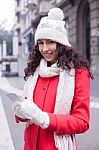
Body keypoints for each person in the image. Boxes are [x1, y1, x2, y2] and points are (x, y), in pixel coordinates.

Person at [12, 7, 93, 150]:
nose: (44, 49)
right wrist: (22, 113)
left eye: (50, 42)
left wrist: (45, 119)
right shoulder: (34, 70)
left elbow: (82, 121)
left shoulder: (78, 72)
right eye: (40, 43)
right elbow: (28, 109)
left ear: (61, 44)